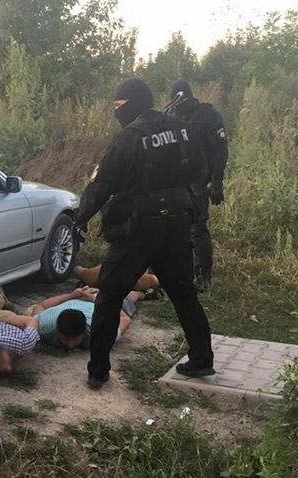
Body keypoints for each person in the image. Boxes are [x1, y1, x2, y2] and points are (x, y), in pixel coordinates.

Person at [74, 78, 215, 389]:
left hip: (138, 228)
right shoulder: (182, 129)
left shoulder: (131, 136)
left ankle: (98, 370)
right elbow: (200, 170)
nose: (116, 111)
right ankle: (202, 358)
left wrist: (80, 217)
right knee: (183, 293)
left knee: (110, 295)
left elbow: (103, 184)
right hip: (178, 223)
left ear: (133, 102)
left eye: (118, 105)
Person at [167, 79, 229, 291]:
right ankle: (177, 272)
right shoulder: (172, 116)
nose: (177, 109)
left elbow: (221, 151)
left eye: (179, 104)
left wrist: (217, 182)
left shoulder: (208, 116)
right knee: (172, 228)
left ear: (186, 98)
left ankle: (203, 275)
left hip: (199, 182)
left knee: (197, 228)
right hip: (175, 181)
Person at [0, 285, 142, 350]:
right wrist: (71, 295)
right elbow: (42, 305)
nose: (69, 344)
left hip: (97, 301)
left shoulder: (100, 334)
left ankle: (143, 291)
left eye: (74, 339)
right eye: (65, 339)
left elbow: (125, 319)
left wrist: (96, 299)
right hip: (72, 301)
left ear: (83, 333)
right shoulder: (45, 325)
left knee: (127, 298)